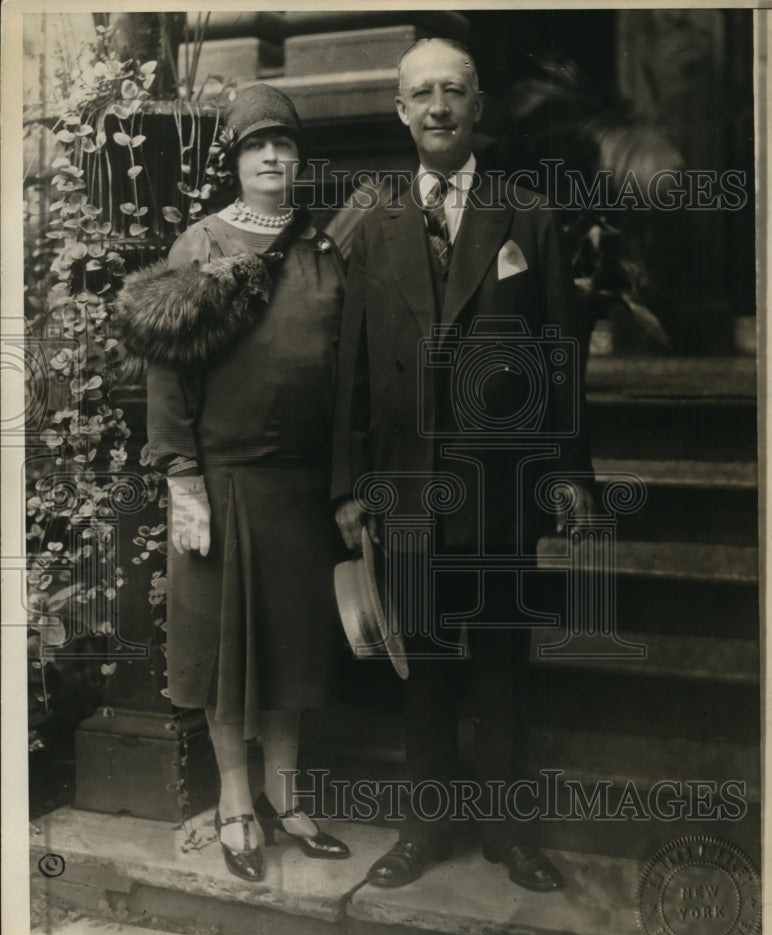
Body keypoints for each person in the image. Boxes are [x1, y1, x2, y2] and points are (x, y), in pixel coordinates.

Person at [332, 38, 595, 891]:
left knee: (502, 663)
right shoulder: (371, 227)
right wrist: (348, 487)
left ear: (478, 107)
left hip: (501, 482)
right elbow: (354, 368)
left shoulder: (529, 216)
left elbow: (561, 355)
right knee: (425, 667)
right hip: (406, 483)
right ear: (400, 112)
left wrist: (569, 471)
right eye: (422, 94)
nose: (438, 107)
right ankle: (422, 829)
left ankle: (510, 833)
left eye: (454, 91)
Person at [116, 84, 349, 881]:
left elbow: (346, 365)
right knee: (225, 653)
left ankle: (287, 797)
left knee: (290, 648)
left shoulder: (323, 248)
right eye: (257, 147)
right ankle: (237, 804)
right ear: (237, 159)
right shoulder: (201, 247)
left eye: (283, 145)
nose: (273, 158)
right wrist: (182, 473)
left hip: (300, 485)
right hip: (223, 481)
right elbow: (168, 371)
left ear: (298, 157)